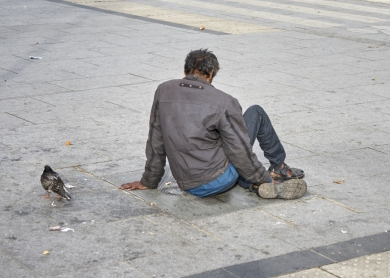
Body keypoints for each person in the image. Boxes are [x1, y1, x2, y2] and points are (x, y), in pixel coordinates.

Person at [120, 49, 307, 200]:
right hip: (219, 179)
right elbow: (240, 151)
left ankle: (252, 182)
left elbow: (155, 140)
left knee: (225, 140)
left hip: (188, 184)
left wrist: (149, 181)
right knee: (255, 113)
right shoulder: (224, 101)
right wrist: (264, 179)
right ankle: (276, 169)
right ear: (211, 74)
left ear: (185, 71)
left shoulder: (163, 91)